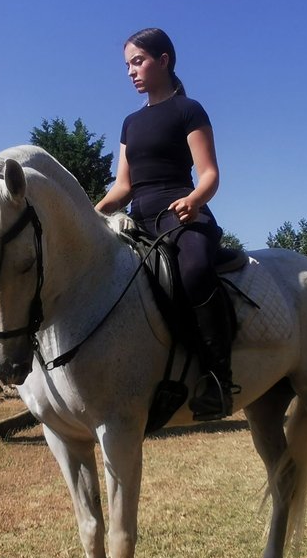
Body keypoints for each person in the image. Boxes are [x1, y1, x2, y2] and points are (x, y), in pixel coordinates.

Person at [95, 27, 237, 420]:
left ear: (163, 60)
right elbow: (123, 187)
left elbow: (210, 174)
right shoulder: (129, 123)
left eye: (137, 61)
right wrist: (94, 212)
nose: (130, 72)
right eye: (127, 65)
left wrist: (194, 201)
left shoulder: (189, 109)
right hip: (140, 221)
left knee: (192, 271)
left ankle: (218, 378)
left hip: (182, 216)